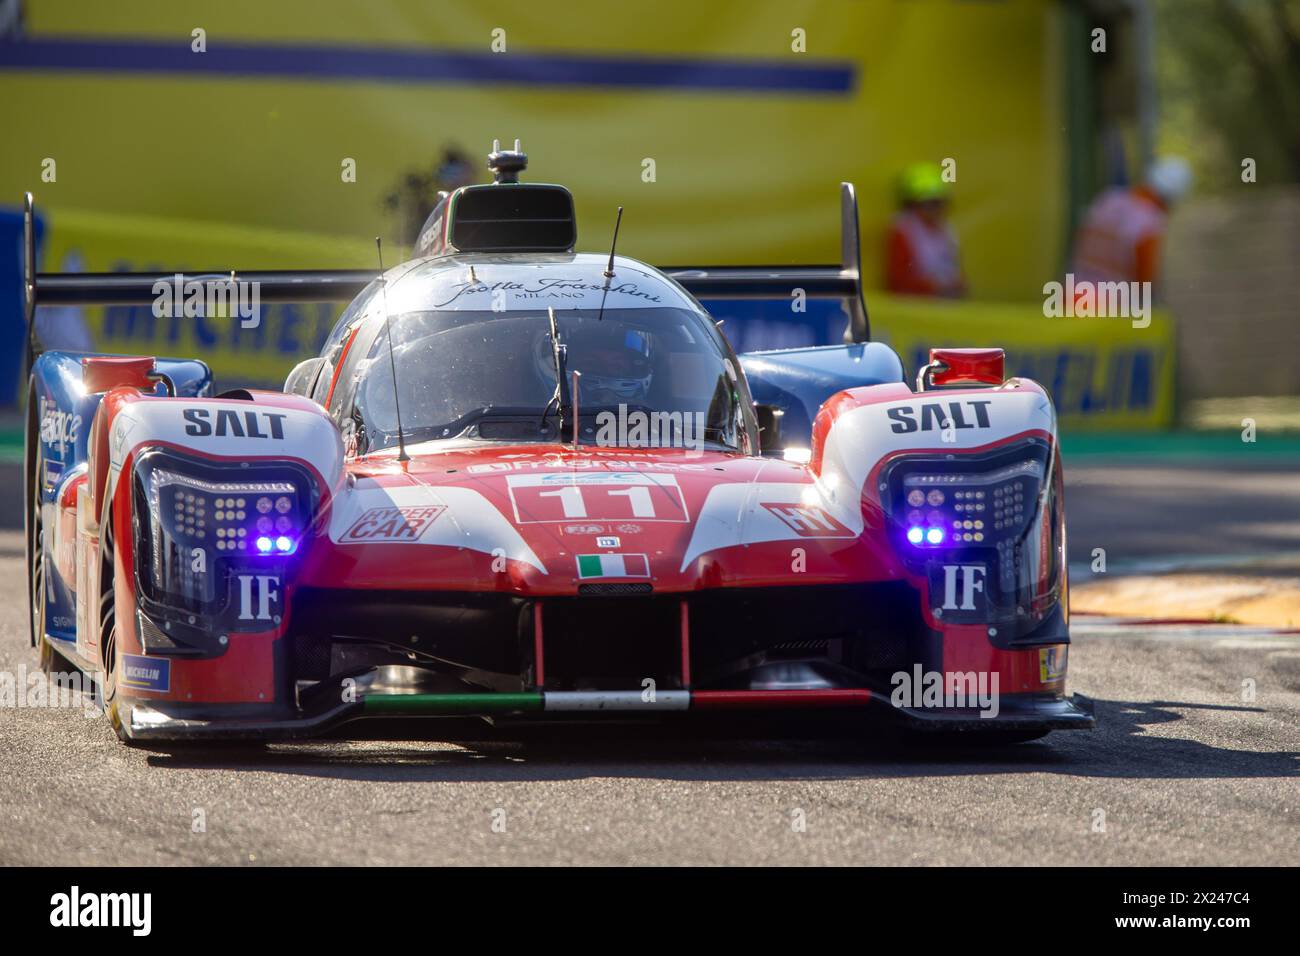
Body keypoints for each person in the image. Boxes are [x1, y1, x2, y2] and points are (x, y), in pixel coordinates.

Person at [1070, 157, 1193, 287]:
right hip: (1108, 302)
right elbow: (1143, 279)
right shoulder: (1149, 222)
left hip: (1070, 293)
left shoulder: (1108, 198)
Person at [885, 162, 966, 298]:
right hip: (916, 309)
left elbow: (955, 269)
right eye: (929, 204)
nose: (936, 210)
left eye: (939, 203)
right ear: (912, 204)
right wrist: (932, 286)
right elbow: (898, 282)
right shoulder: (903, 231)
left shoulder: (946, 229)